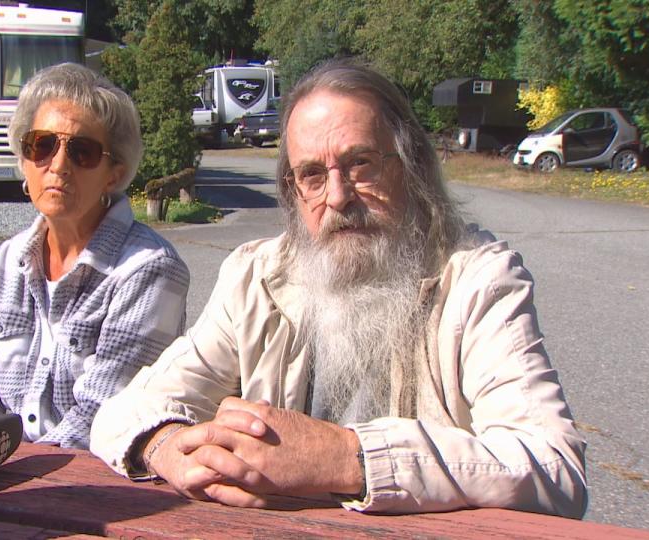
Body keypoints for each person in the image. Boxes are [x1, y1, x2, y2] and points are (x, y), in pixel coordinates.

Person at [90, 59, 587, 517]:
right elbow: (123, 412)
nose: (339, 196)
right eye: (311, 174)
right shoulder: (257, 277)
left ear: (411, 167)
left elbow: (553, 468)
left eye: (362, 164)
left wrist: (346, 458)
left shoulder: (479, 280)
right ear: (292, 191)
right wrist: (165, 446)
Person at [0, 63, 190, 449]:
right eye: (42, 145)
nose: (58, 165)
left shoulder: (150, 269)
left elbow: (101, 418)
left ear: (113, 174)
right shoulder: (7, 261)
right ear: (23, 157)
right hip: (8, 475)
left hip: (92, 486)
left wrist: (6, 478)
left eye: (82, 151)